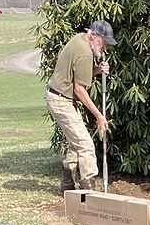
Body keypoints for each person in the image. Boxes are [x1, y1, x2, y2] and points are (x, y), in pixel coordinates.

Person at [46, 20, 116, 194]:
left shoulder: (79, 39)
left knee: (75, 142)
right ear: (93, 35)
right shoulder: (85, 52)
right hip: (61, 100)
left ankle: (67, 185)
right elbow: (80, 89)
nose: (105, 47)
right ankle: (88, 191)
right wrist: (99, 116)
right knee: (85, 144)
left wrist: (97, 69)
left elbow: (78, 71)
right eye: (104, 42)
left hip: (58, 96)